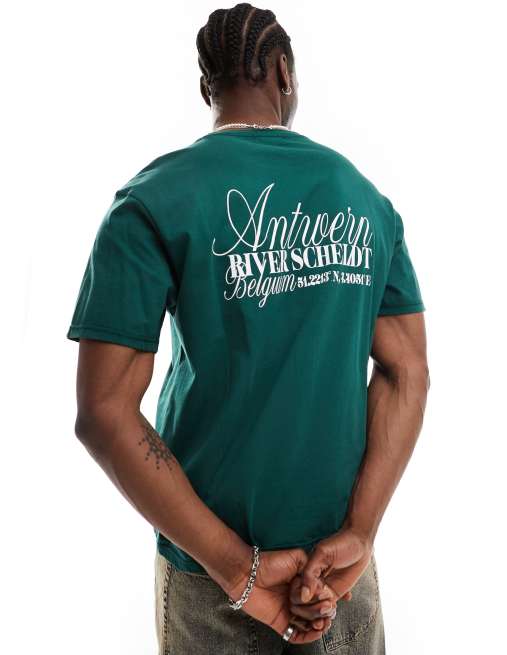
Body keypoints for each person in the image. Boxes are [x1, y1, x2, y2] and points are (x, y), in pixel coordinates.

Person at [66, 3, 430, 653]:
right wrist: (360, 532)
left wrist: (239, 570)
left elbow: (103, 411)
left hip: (210, 572)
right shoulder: (362, 197)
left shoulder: (151, 200)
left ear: (206, 86)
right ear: (284, 73)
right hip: (338, 571)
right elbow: (407, 372)